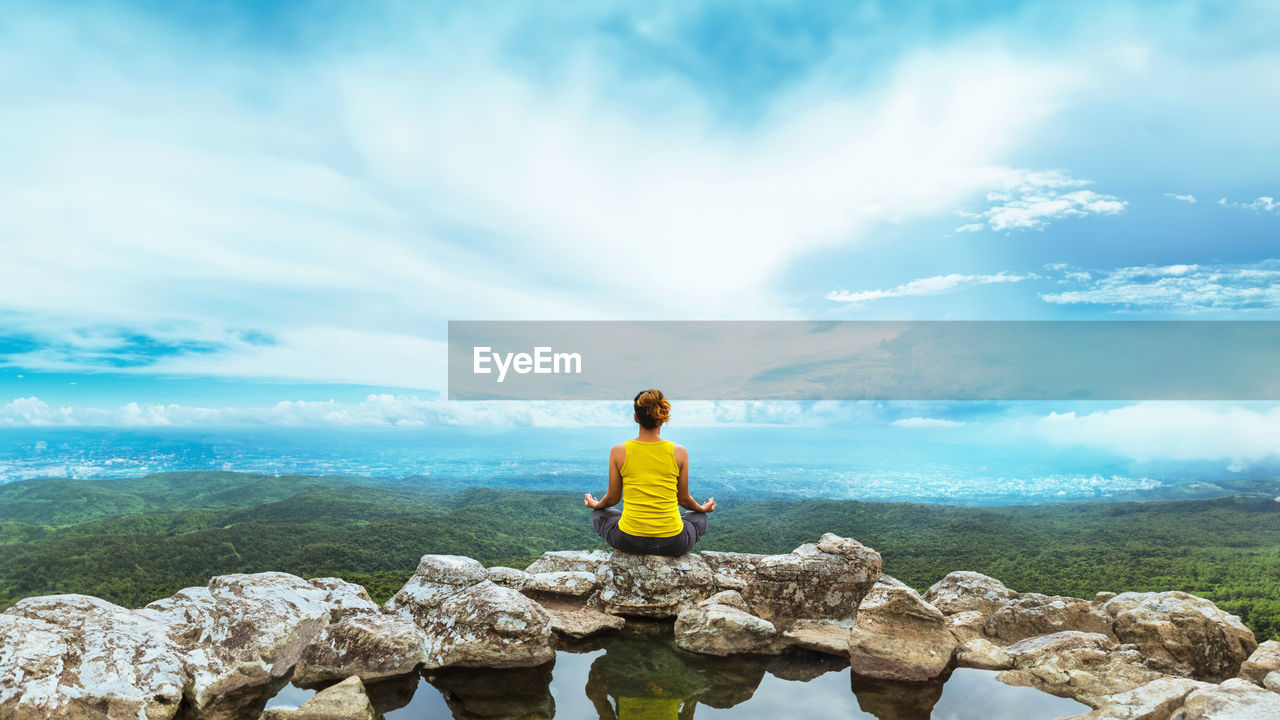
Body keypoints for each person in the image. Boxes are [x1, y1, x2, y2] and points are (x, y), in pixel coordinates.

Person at [585, 389, 716, 556]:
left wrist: (595, 505)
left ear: (636, 418)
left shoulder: (619, 451)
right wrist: (702, 508)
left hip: (628, 540)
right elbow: (683, 500)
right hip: (673, 543)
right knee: (699, 517)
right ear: (663, 418)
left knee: (600, 513)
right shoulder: (679, 452)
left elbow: (612, 499)